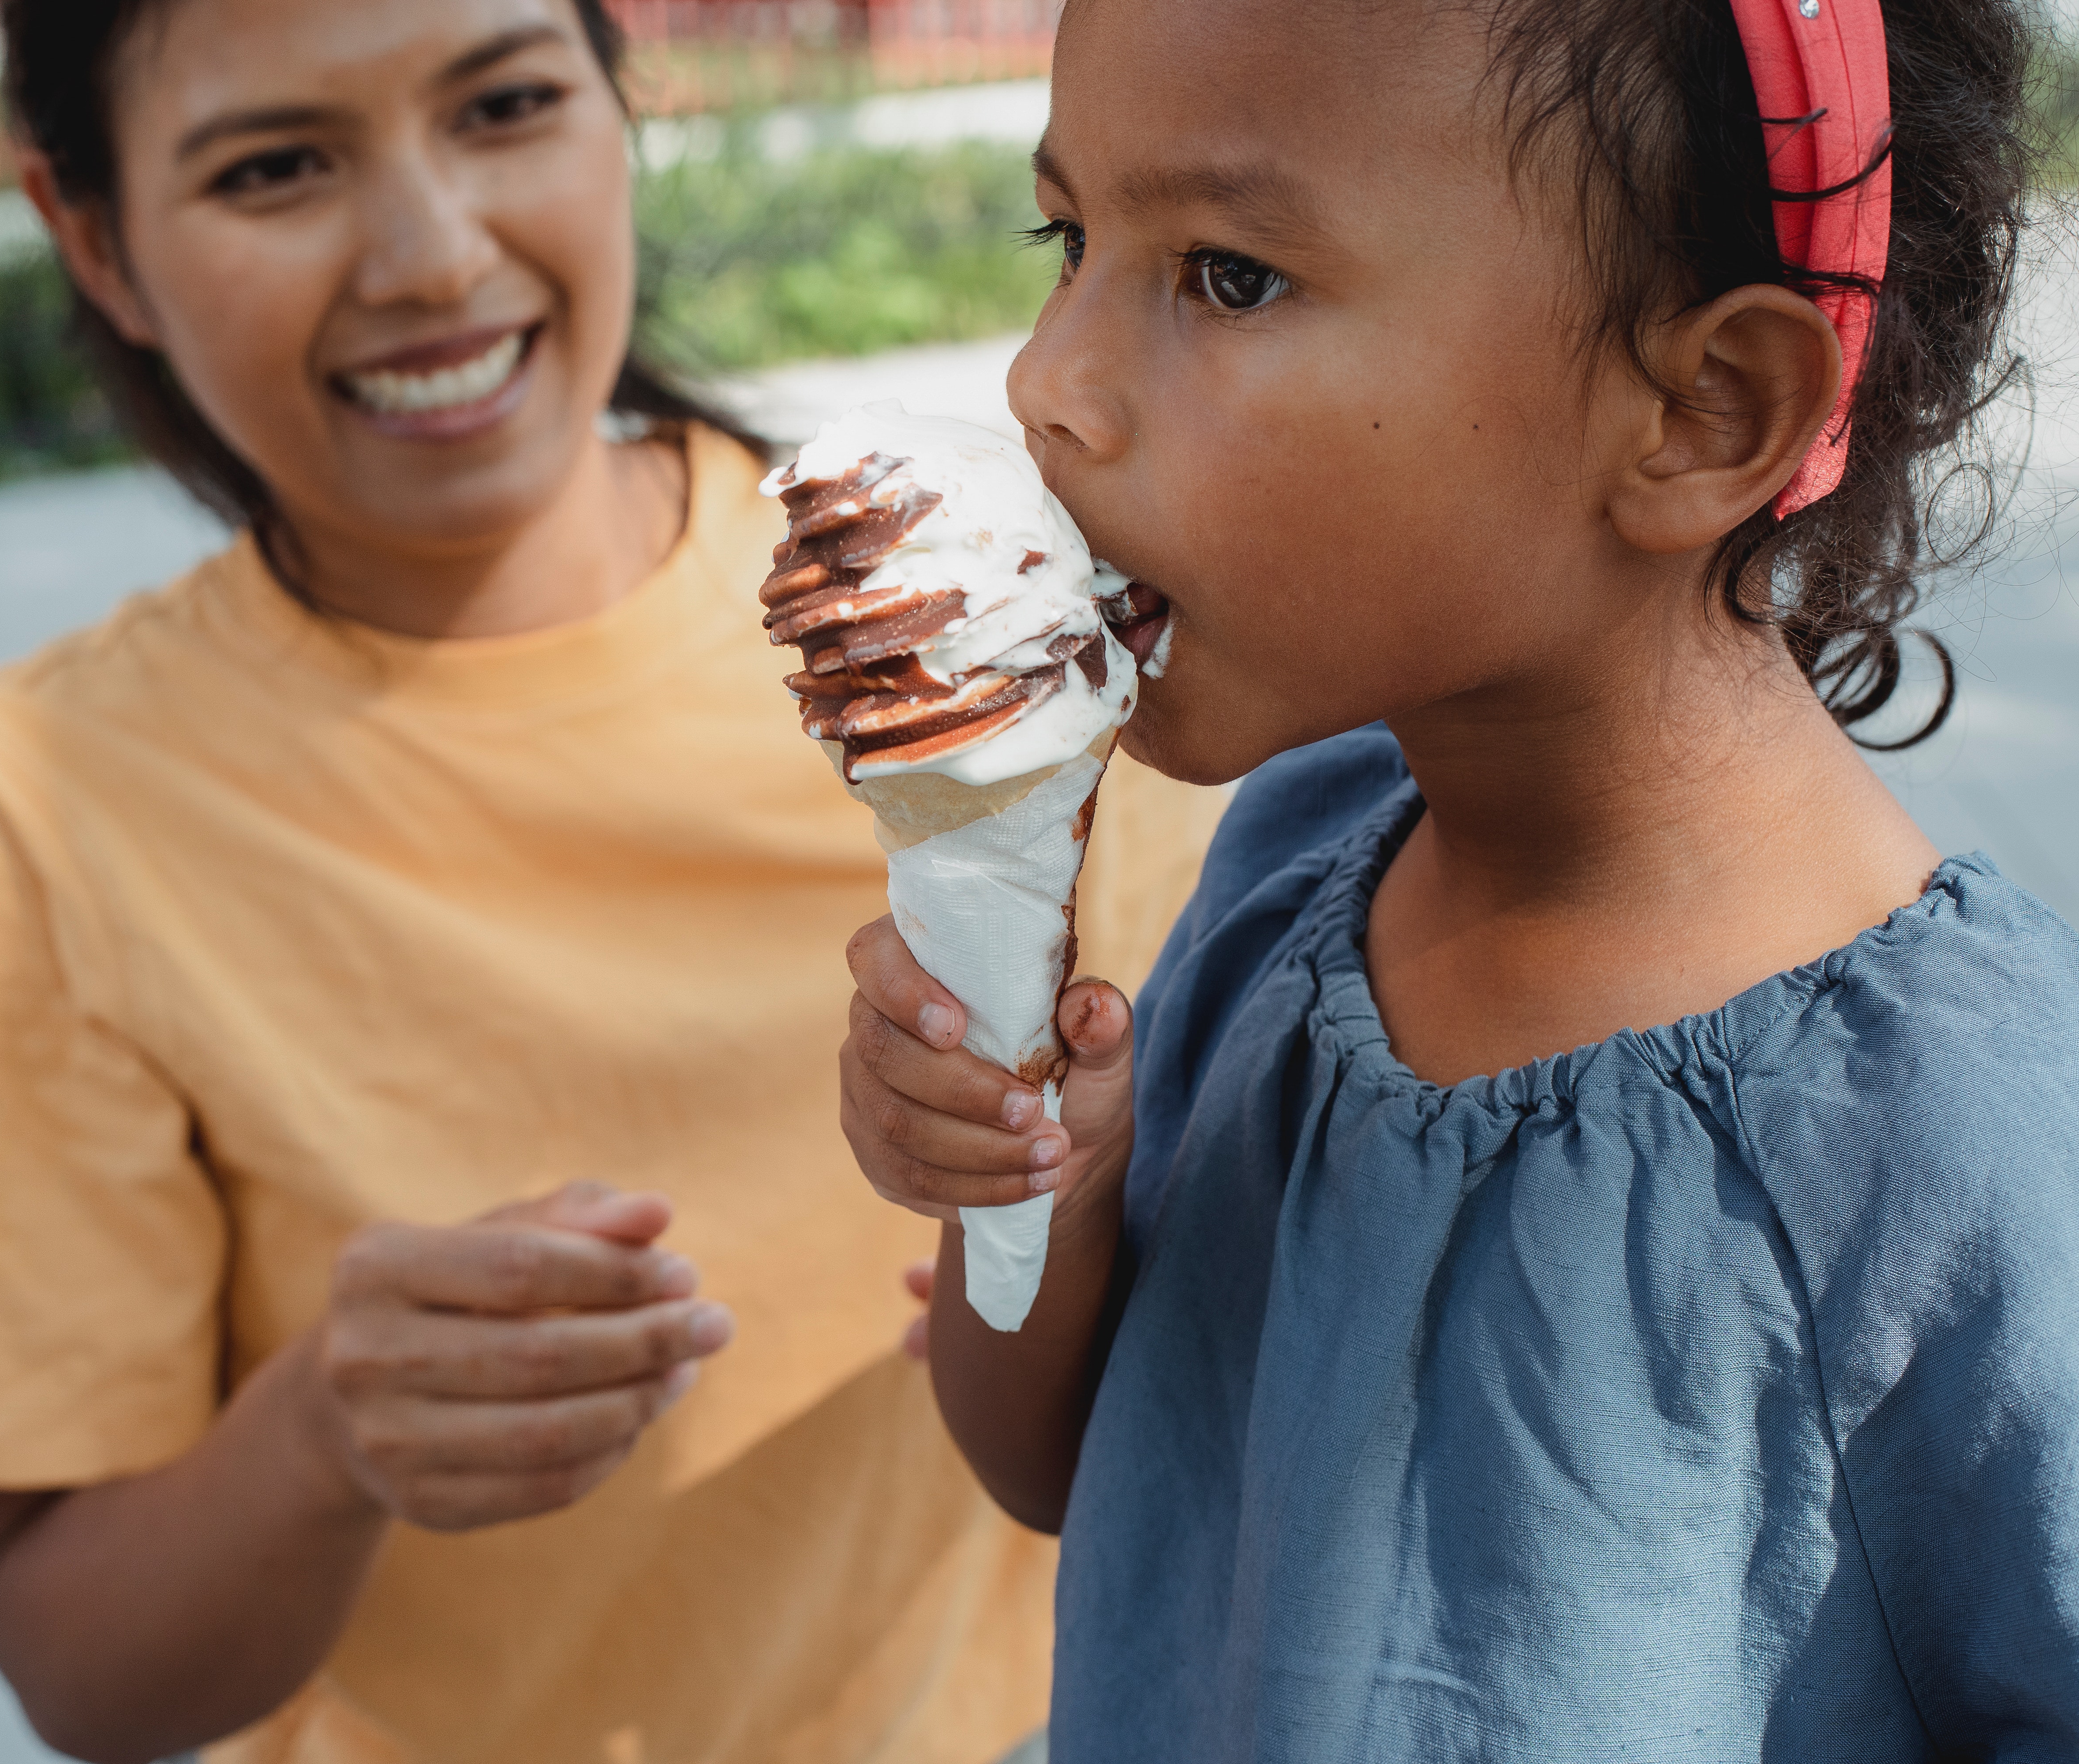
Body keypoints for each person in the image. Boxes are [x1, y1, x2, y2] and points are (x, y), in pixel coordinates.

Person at [0, 0, 1219, 1760]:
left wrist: (1062, 1227)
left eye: (502, 103)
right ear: (94, 237)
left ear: (615, 100)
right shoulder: (48, 798)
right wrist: (322, 1437)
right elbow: (84, 1667)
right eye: (275, 167)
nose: (431, 254)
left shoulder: (977, 624)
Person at [838, 0, 2079, 1753]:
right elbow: (1055, 1467)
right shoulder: (1295, 868)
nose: (1046, 381)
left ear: (1703, 408)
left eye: (1230, 277)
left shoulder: (1970, 1146)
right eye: (1072, 240)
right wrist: (1043, 1175)